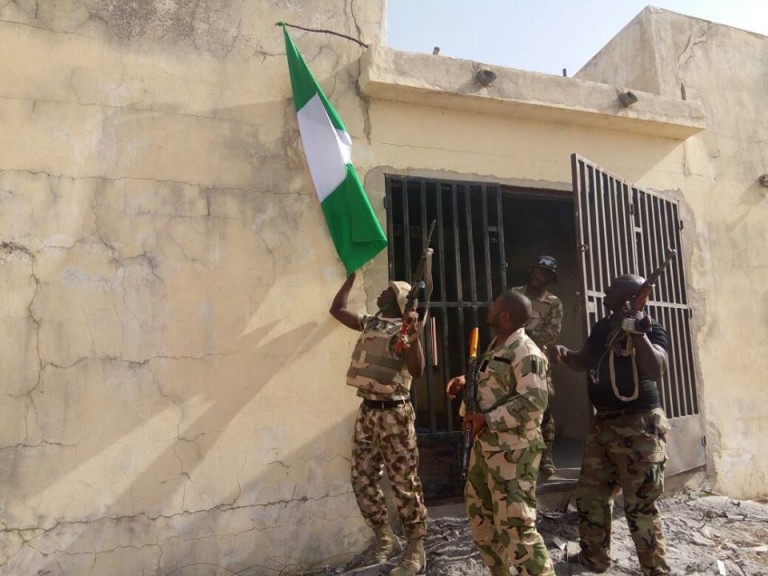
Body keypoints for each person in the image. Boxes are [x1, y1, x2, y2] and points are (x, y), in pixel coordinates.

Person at [549, 274, 671, 576]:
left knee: (640, 505)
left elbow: (656, 369)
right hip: (603, 425)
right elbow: (585, 360)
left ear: (629, 297)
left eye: (614, 287)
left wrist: (638, 332)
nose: (606, 290)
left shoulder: (651, 327)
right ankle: (594, 558)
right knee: (590, 496)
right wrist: (566, 355)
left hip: (639, 427)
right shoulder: (603, 327)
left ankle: (655, 570)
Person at [446, 290, 555, 576]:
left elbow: (534, 402)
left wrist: (487, 420)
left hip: (513, 452)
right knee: (482, 524)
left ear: (505, 314)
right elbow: (494, 379)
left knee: (517, 528)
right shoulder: (497, 346)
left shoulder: (526, 352)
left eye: (495, 304)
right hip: (485, 449)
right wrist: (464, 380)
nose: (490, 306)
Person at [330, 273, 428, 576]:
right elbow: (337, 310)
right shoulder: (371, 322)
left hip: (395, 414)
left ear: (398, 300)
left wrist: (412, 333)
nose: (380, 294)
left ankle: (416, 549)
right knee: (361, 479)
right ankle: (385, 537)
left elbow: (418, 370)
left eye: (387, 291)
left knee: (404, 484)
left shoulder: (405, 329)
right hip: (368, 412)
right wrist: (349, 278)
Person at [511, 255, 563, 479]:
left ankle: (546, 456)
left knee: (544, 406)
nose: (536, 275)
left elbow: (552, 332)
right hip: (511, 355)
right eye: (535, 271)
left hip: (537, 358)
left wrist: (526, 334)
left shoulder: (553, 302)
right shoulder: (515, 293)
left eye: (542, 273)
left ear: (550, 278)